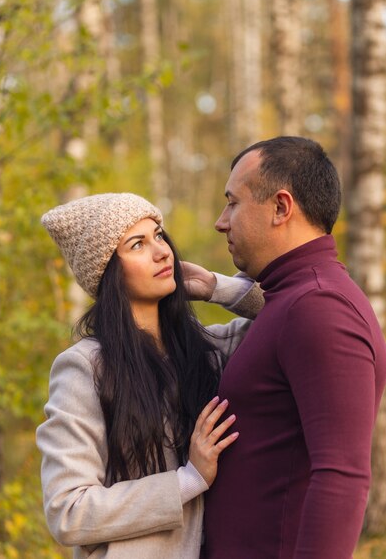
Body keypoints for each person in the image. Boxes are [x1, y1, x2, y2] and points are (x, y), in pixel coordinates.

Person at [36, 192, 263, 559]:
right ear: (107, 271)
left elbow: (301, 312)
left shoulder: (208, 351)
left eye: (159, 235)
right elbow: (68, 511)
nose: (162, 252)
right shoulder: (85, 367)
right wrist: (189, 480)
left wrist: (216, 287)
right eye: (137, 244)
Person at [192, 136, 386, 559]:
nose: (221, 222)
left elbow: (342, 477)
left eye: (233, 203)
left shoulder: (320, 308)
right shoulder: (294, 299)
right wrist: (213, 288)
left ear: (281, 207)